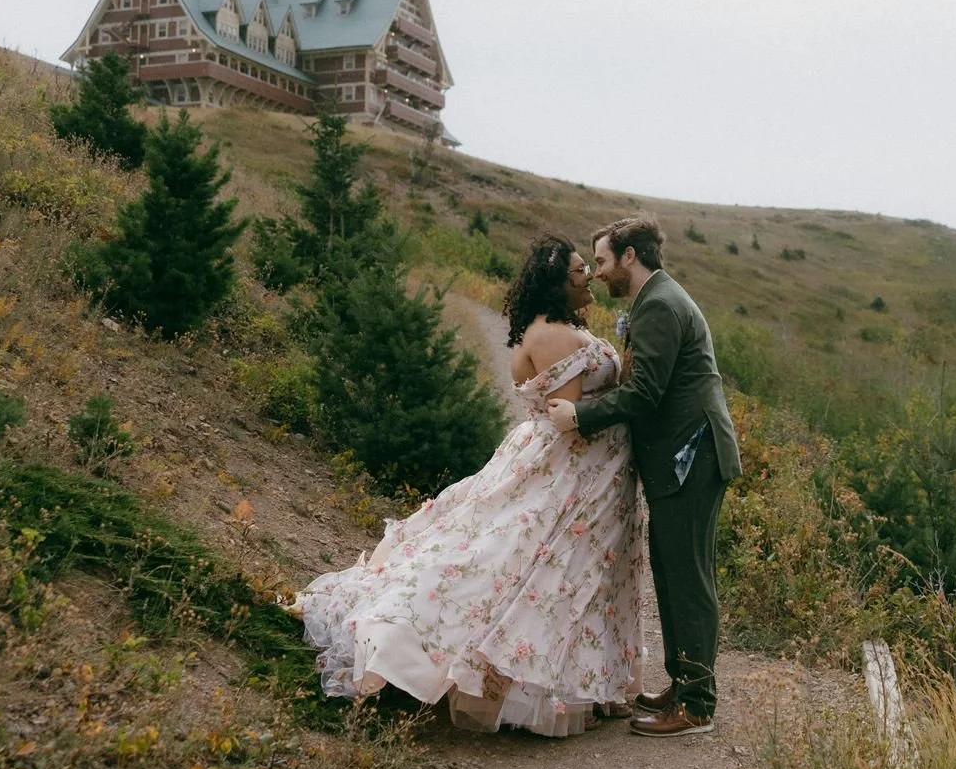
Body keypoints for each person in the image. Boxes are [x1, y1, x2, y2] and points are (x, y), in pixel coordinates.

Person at [294, 235, 643, 737]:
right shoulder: (550, 336)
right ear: (558, 282)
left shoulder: (562, 327)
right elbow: (571, 421)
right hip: (569, 476)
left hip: (593, 476)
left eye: (589, 266)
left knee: (575, 577)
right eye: (580, 269)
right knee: (524, 569)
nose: (589, 275)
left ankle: (587, 683)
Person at [548, 216, 739, 737]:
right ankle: (684, 682)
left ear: (631, 256)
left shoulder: (658, 304)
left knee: (689, 580)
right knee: (673, 573)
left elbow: (646, 393)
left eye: (604, 261)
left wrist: (581, 417)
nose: (600, 273)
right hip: (683, 457)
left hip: (692, 456)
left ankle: (697, 704)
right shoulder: (657, 299)